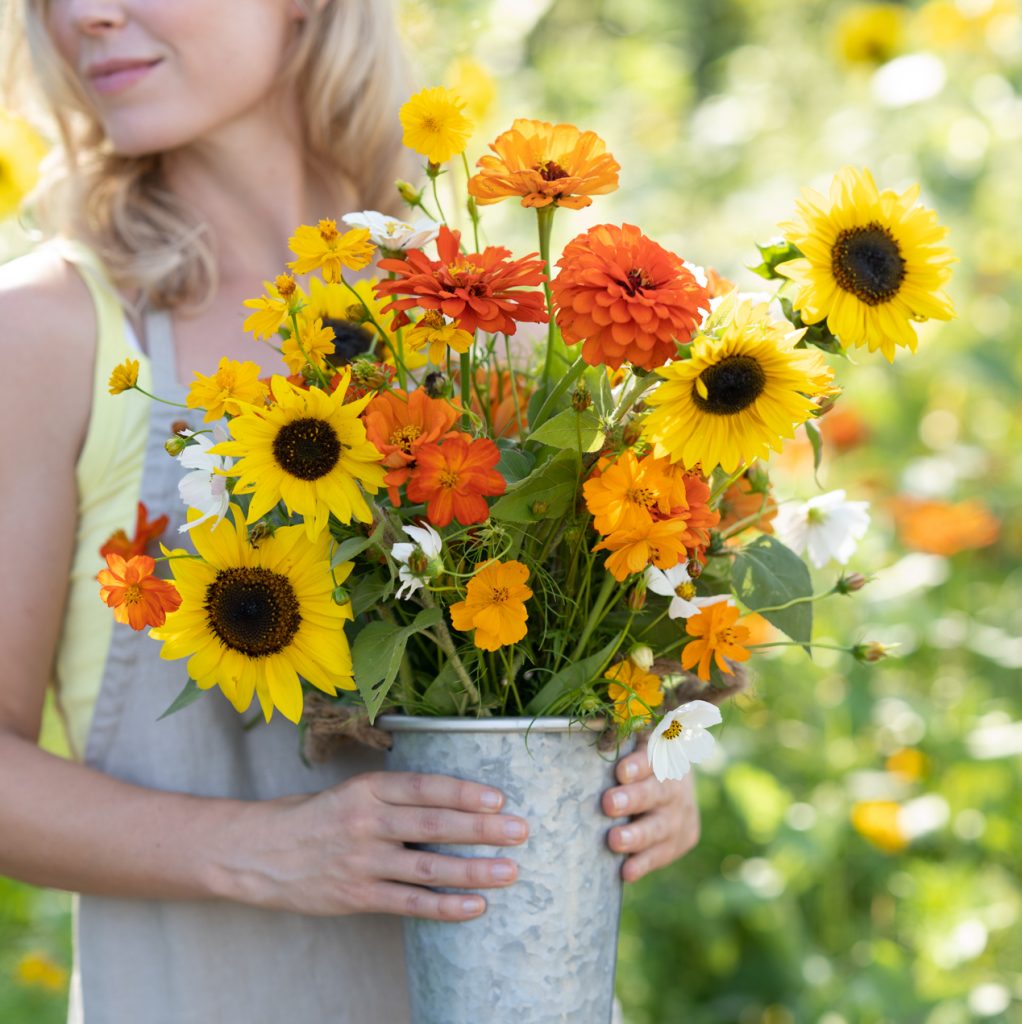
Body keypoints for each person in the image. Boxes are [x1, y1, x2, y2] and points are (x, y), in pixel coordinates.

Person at [0, 0, 701, 1019]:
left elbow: (608, 674)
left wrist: (652, 781)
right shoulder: (52, 336)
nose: (87, 15)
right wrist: (262, 853)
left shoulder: (477, 314)